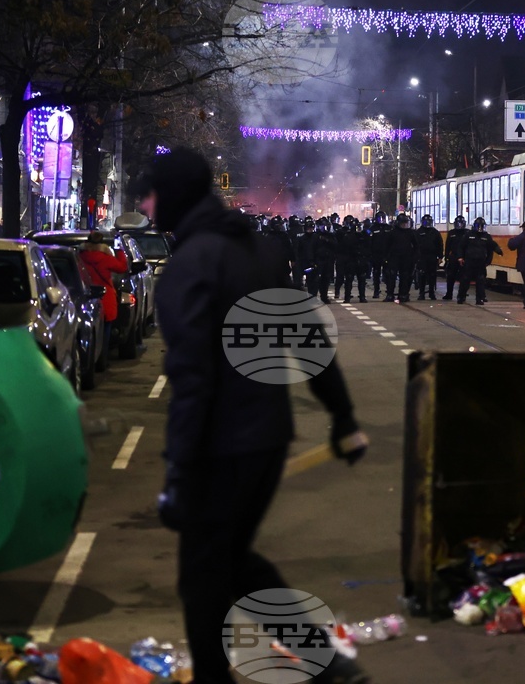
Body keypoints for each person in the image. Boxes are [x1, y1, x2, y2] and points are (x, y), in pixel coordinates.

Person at [133, 147, 370, 684]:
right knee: (231, 563)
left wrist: (177, 471)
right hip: (265, 439)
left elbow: (192, 380)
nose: (145, 207)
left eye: (150, 195)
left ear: (174, 197)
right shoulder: (259, 251)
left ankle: (314, 667)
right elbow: (306, 336)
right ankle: (328, 664)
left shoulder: (188, 267)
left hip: (222, 447)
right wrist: (342, 416)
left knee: (202, 578)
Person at [79, 230, 129, 369]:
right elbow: (122, 267)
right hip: (104, 298)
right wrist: (119, 251)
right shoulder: (105, 258)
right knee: (105, 331)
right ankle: (102, 359)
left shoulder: (79, 257)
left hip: (85, 297)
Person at [456, 217, 502, 305]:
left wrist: (497, 251)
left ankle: (479, 299)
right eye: (478, 226)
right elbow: (461, 246)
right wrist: (460, 257)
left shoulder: (486, 236)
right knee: (465, 280)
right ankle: (461, 297)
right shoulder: (468, 235)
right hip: (469, 261)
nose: (480, 228)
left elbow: (491, 246)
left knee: (480, 281)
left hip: (481, 262)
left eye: (482, 226)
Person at [385, 213, 419, 302]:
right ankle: (390, 294)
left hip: (406, 258)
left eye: (406, 223)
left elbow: (416, 246)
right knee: (391, 277)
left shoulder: (411, 233)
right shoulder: (393, 232)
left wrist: (414, 257)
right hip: (394, 258)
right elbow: (387, 246)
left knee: (405, 277)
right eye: (402, 223)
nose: (404, 225)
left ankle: (403, 294)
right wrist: (387, 257)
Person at [415, 214, 444, 300]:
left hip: (432, 257)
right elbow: (415, 245)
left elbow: (440, 245)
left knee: (432, 275)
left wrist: (440, 257)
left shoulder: (435, 232)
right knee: (422, 275)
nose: (427, 223)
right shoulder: (418, 232)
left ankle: (431, 293)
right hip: (422, 257)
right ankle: (422, 293)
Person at [442, 216, 466, 300]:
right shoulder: (451, 233)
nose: (460, 226)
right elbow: (448, 245)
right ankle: (449, 294)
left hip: (464, 257)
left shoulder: (467, 233)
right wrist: (446, 257)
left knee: (463, 277)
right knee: (450, 276)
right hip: (453, 257)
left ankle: (461, 295)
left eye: (461, 224)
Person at [369, 212, 390, 299]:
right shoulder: (372, 228)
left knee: (388, 274)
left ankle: (389, 291)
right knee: (376, 273)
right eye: (379, 218)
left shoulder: (389, 228)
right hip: (376, 254)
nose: (381, 220)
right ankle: (376, 291)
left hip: (387, 254)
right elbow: (368, 240)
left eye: (383, 218)